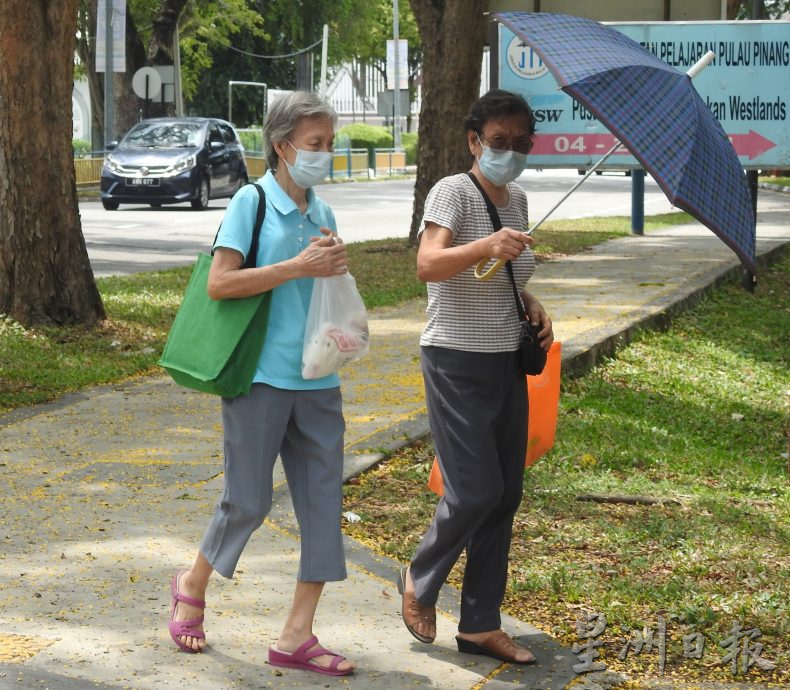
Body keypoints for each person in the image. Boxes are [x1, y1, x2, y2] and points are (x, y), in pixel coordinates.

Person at [167, 91, 356, 677]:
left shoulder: (321, 212)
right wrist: (297, 267)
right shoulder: (251, 202)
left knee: (324, 505)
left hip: (315, 378)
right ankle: (192, 583)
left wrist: (333, 266)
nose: (324, 155)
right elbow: (220, 284)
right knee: (247, 500)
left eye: (330, 144)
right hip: (260, 378)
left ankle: (297, 634)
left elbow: (320, 290)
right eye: (315, 145)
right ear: (282, 147)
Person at [398, 89, 554, 665]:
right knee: (477, 489)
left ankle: (481, 624)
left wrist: (531, 302)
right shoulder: (452, 192)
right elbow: (428, 265)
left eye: (520, 143)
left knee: (505, 494)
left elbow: (498, 277)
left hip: (505, 361)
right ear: (473, 141)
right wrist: (486, 243)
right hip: (456, 360)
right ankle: (419, 576)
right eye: (498, 142)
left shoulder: (518, 200)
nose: (509, 152)